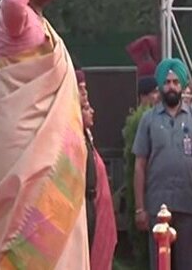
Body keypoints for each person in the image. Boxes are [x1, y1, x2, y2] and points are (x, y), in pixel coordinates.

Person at [0, 0, 89, 269]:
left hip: (53, 152)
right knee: (22, 232)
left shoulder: (44, 25)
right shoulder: (15, 19)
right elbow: (11, 2)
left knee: (59, 225)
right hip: (22, 151)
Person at [132, 58, 192, 270]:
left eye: (176, 82)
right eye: (167, 82)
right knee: (159, 264)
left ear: (183, 86)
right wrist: (140, 208)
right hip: (157, 208)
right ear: (160, 85)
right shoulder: (148, 120)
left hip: (189, 204)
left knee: (187, 265)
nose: (171, 87)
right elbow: (140, 165)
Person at [76, 70, 117, 270]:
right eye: (80, 89)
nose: (90, 109)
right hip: (83, 207)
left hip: (94, 206)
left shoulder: (86, 135)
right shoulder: (72, 136)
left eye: (86, 89)